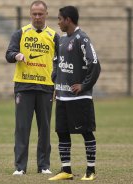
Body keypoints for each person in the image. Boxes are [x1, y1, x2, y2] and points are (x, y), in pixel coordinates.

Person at [5, 0, 59, 175]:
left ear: (46, 15)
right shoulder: (20, 33)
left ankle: (44, 166)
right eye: (34, 14)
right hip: (24, 86)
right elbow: (8, 54)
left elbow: (60, 62)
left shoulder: (54, 35)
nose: (37, 17)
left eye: (40, 14)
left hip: (46, 87)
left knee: (44, 128)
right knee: (22, 127)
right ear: (30, 14)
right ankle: (20, 167)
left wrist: (58, 84)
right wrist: (17, 55)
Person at [48, 6, 101, 181]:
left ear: (68, 20)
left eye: (59, 19)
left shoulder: (82, 38)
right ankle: (66, 170)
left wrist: (84, 85)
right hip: (62, 96)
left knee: (86, 132)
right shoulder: (62, 40)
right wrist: (56, 82)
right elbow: (57, 62)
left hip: (80, 98)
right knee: (62, 132)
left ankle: (91, 170)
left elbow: (95, 65)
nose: (58, 22)